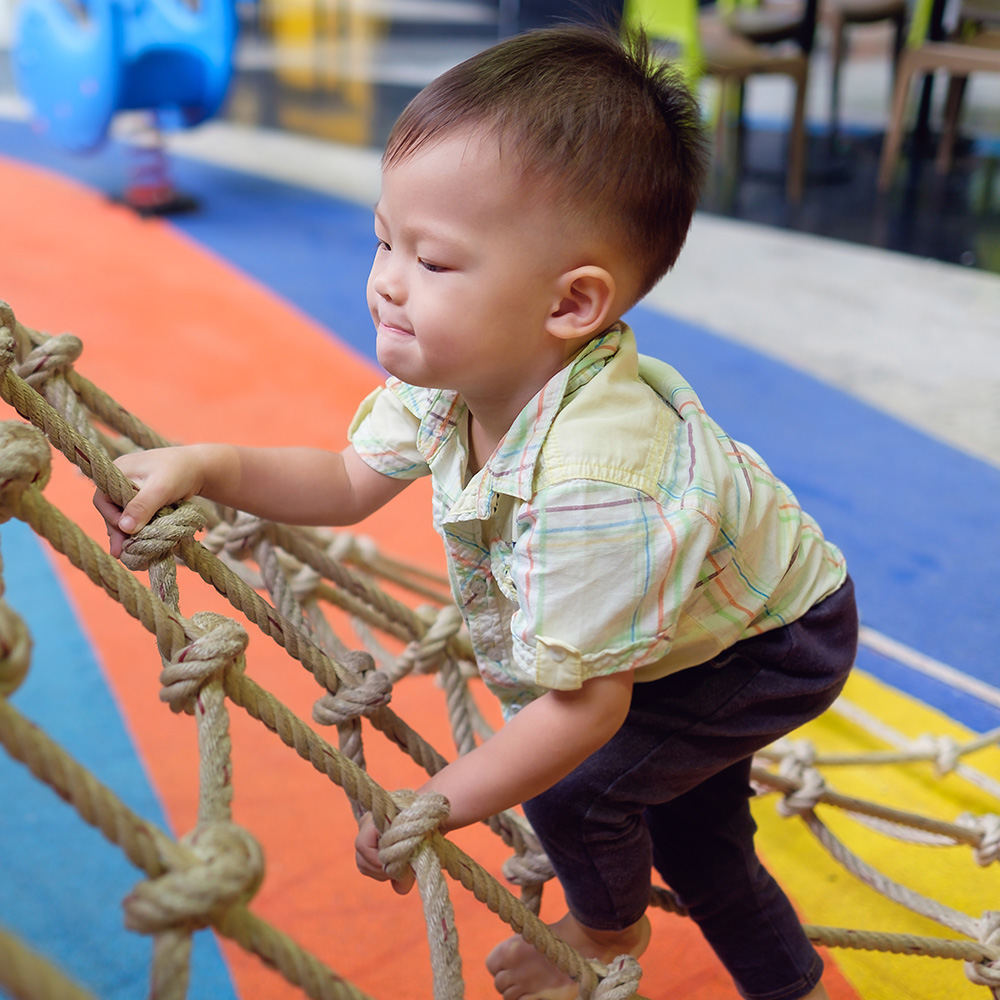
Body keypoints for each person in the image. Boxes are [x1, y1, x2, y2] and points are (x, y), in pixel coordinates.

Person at [94, 25, 858, 1000]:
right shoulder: (465, 369)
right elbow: (344, 479)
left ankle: (599, 937)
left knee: (580, 791)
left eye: (435, 262)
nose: (387, 281)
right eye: (383, 239)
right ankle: (798, 984)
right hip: (689, 625)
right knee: (699, 843)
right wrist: (211, 464)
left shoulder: (596, 482)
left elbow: (586, 709)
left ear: (571, 304)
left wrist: (433, 801)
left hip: (764, 644)